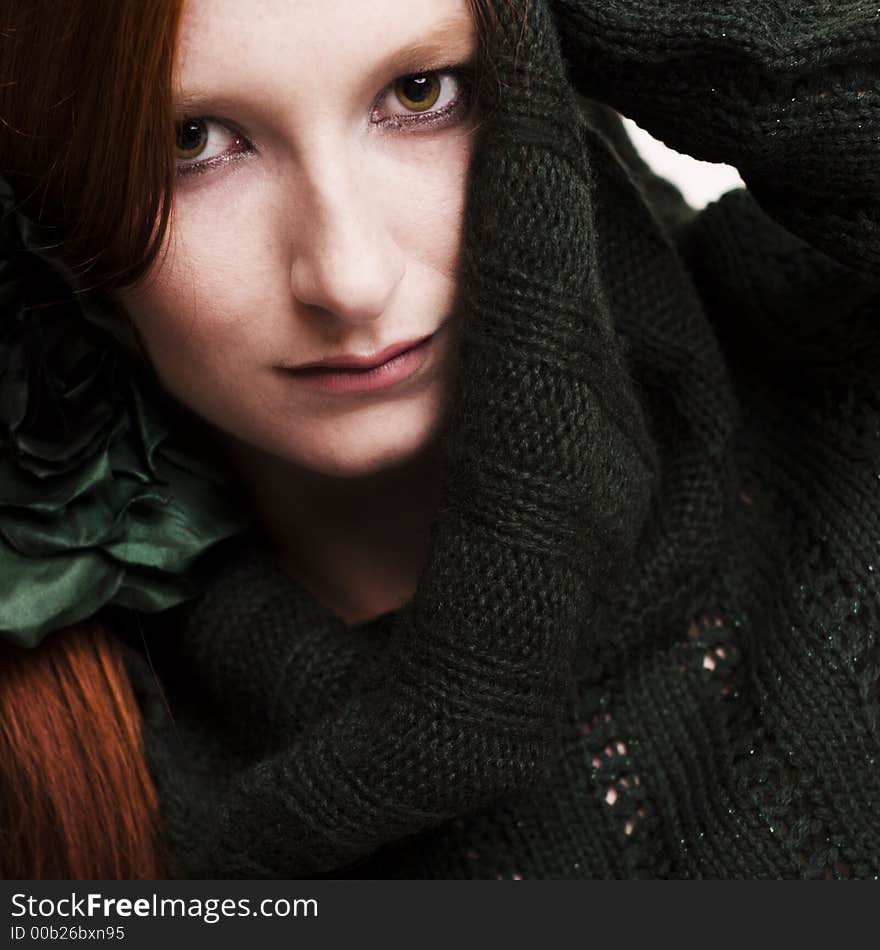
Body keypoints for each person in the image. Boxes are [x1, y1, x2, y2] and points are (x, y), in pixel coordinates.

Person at [0, 0, 877, 880]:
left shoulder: (828, 373)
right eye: (190, 140)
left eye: (420, 93)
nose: (349, 278)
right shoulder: (64, 740)